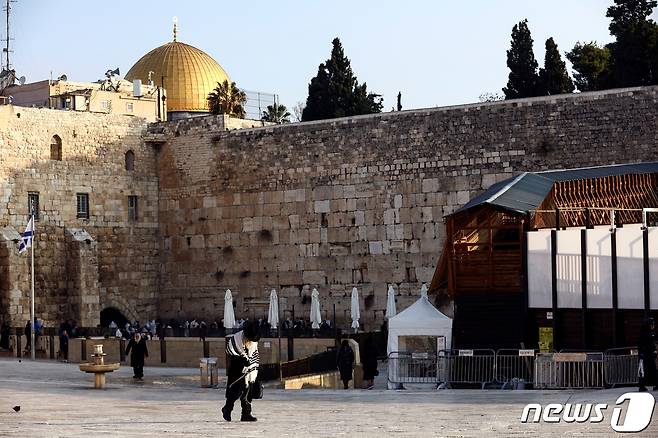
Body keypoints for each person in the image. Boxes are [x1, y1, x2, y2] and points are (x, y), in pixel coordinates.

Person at [222, 321, 260, 422]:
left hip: (250, 372)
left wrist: (253, 366)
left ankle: (246, 414)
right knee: (234, 392)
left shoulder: (253, 342)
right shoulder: (236, 339)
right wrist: (242, 360)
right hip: (236, 369)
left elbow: (255, 355)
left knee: (248, 393)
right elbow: (230, 351)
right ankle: (227, 409)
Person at [638, 317, 657, 392]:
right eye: (652, 324)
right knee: (643, 370)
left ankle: (655, 384)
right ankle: (642, 386)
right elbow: (641, 344)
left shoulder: (651, 333)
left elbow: (651, 344)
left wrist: (654, 350)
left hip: (649, 354)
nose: (653, 326)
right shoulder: (644, 334)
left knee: (653, 369)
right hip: (644, 355)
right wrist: (642, 353)